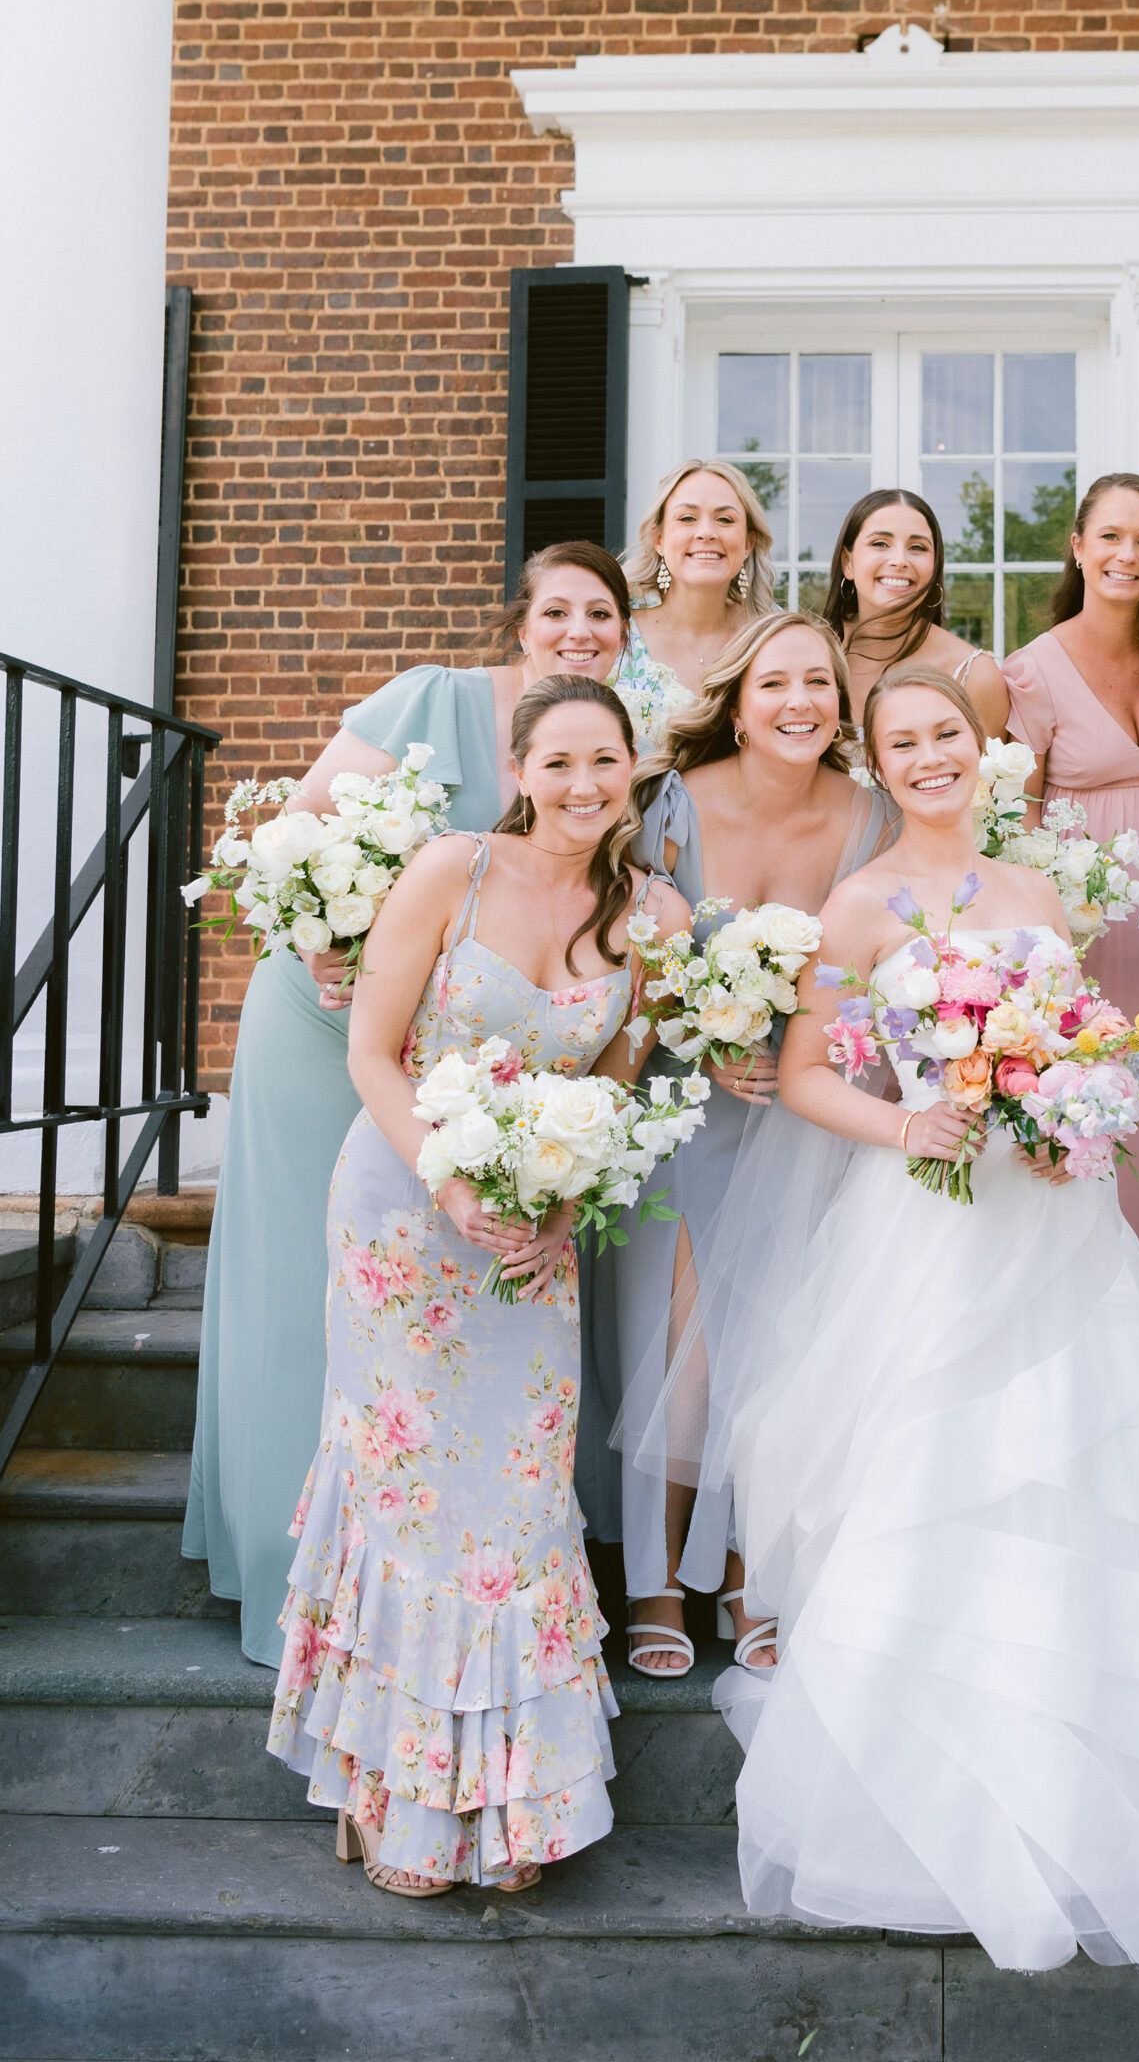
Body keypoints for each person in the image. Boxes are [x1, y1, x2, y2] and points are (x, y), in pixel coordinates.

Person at [631, 664, 1139, 1972]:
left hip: (1055, 1227)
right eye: (899, 743)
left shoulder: (1039, 895)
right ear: (881, 763)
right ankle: (924, 1813)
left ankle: (1113, 1795)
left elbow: (1079, 1043)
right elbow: (800, 1076)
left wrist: (1074, 1115)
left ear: (982, 748)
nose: (925, 758)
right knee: (938, 1477)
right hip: (932, 1228)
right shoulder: (857, 903)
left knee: (1086, 1463)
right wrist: (909, 1118)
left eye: (945, 736)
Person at [266, 676, 692, 1895]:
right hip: (405, 1215)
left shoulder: (652, 912)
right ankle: (387, 1795)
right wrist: (452, 1188)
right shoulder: (451, 869)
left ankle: (510, 1804)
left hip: (533, 1244)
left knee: (514, 1503)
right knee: (403, 1495)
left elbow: (614, 1072)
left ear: (632, 773)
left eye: (604, 762)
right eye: (558, 762)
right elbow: (371, 1046)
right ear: (518, 770)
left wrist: (562, 1198)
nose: (581, 785)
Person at [185, 541, 640, 1667]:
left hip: (503, 1047)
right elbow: (294, 832)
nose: (579, 629)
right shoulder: (429, 697)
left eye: (601, 614)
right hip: (343, 1011)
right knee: (306, 1295)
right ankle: (285, 1581)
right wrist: (318, 937)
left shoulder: (614, 747)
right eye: (558, 609)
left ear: (623, 636)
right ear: (519, 620)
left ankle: (475, 1637)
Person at [596, 611, 891, 1679]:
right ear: (737, 697)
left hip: (810, 1114)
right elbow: (626, 946)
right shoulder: (671, 805)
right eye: (777, 682)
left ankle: (752, 1576)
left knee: (779, 1345)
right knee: (676, 1348)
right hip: (686, 1103)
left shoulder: (873, 816)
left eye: (820, 681)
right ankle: (657, 1580)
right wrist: (701, 1036)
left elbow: (883, 964)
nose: (800, 700)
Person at [1004, 472, 1139, 1256]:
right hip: (1086, 927)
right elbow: (1017, 819)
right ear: (1077, 548)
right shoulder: (1031, 668)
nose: (1127, 555)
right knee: (1101, 1104)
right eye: (1110, 537)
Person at [821, 486, 1009, 741]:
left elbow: (985, 781)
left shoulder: (973, 674)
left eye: (917, 547)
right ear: (848, 562)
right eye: (880, 543)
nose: (900, 561)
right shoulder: (814, 655)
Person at [624, 459, 776, 702]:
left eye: (725, 520)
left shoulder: (772, 635)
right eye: (687, 518)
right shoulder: (616, 629)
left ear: (749, 543)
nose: (706, 532)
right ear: (659, 539)